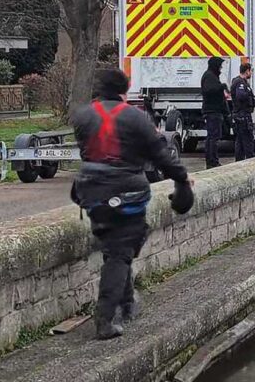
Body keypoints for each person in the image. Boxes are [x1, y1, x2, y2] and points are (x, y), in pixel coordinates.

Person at [70, 69, 194, 340]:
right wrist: (182, 178)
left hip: (91, 191)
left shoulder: (82, 116)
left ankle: (126, 301)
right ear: (125, 90)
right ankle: (104, 318)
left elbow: (86, 152)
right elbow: (159, 155)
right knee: (121, 252)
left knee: (114, 245)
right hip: (126, 192)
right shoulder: (134, 117)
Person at [200, 56, 228, 168]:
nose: (221, 68)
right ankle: (212, 161)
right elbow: (209, 90)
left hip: (215, 111)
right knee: (213, 138)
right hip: (212, 111)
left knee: (213, 137)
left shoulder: (212, 76)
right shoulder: (209, 76)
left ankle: (213, 160)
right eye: (220, 65)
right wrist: (222, 87)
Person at [230, 63, 255, 161]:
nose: (251, 73)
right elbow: (240, 96)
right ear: (247, 71)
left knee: (240, 140)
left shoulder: (241, 81)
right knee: (247, 139)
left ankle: (239, 160)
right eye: (251, 71)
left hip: (241, 115)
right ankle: (249, 159)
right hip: (242, 115)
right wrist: (249, 96)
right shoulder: (240, 82)